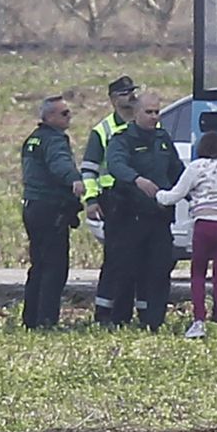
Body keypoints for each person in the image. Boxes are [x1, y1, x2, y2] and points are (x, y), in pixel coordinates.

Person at [106, 92, 186, 332]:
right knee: (126, 270)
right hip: (131, 216)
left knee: (159, 270)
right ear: (137, 114)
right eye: (149, 112)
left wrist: (195, 191)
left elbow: (177, 172)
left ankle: (154, 319)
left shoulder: (162, 139)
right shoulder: (123, 139)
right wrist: (137, 179)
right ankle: (120, 319)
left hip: (159, 217)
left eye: (157, 112)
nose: (154, 117)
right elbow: (116, 165)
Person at [157, 131, 217, 338]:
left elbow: (173, 196)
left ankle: (199, 322)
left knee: (198, 274)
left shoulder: (196, 167)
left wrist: (157, 194)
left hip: (205, 225)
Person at [20, 94, 85, 329]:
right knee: (55, 268)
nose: (70, 117)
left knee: (39, 265)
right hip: (50, 209)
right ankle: (46, 320)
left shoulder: (33, 140)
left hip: (32, 207)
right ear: (49, 117)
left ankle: (31, 319)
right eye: (64, 113)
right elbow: (59, 164)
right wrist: (75, 180)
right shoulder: (55, 140)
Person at [82, 75, 139, 325]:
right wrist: (91, 200)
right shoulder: (102, 130)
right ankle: (104, 312)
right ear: (114, 100)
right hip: (113, 200)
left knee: (138, 259)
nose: (132, 96)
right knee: (115, 259)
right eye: (126, 93)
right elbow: (89, 169)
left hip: (139, 200)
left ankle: (128, 313)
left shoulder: (146, 123)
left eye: (133, 91)